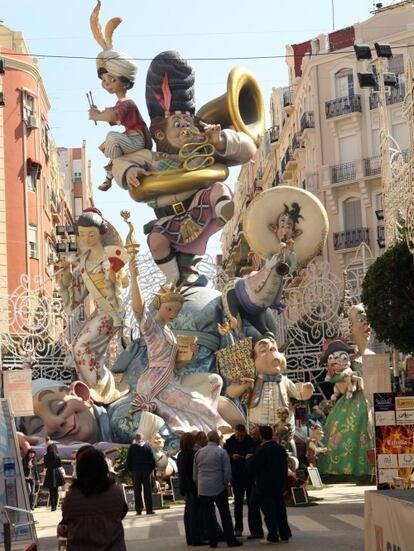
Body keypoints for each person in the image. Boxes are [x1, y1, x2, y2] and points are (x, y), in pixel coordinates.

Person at [112, 51, 257, 284]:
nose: (186, 129)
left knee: (218, 188)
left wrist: (219, 141)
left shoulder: (202, 148)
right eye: (177, 125)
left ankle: (223, 208)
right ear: (160, 133)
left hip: (204, 210)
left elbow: (248, 147)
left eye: (189, 123)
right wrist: (129, 172)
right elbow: (120, 163)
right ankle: (175, 280)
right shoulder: (152, 157)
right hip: (170, 220)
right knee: (157, 243)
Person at [128, 255, 229, 435]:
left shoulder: (170, 334)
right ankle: (217, 427)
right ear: (159, 305)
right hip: (155, 382)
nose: (173, 313)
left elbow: (176, 366)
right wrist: (134, 277)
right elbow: (139, 310)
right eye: (169, 308)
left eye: (176, 310)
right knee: (197, 403)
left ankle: (205, 431)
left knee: (213, 383)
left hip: (171, 378)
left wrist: (190, 357)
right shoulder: (152, 328)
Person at [57, 208, 130, 404]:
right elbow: (79, 296)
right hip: (99, 312)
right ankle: (102, 388)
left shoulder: (110, 257)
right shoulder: (83, 263)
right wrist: (65, 278)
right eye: (82, 234)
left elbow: (124, 285)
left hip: (112, 312)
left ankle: (101, 389)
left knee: (80, 347)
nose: (86, 239)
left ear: (101, 233)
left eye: (91, 234)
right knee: (85, 351)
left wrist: (114, 275)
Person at [89, 0, 151, 191]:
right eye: (105, 79)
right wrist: (99, 113)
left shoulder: (127, 102)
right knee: (105, 144)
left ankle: (111, 171)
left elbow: (114, 116)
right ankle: (112, 171)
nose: (107, 83)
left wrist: (97, 115)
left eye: (111, 79)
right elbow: (114, 117)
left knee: (112, 138)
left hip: (138, 139)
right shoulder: (121, 102)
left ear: (124, 82)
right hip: (131, 138)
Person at [317, 338, 373, 477]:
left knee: (360, 428)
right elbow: (340, 388)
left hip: (361, 399)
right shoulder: (339, 372)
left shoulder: (359, 362)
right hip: (348, 399)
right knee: (340, 428)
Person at [58, 447, 128, 550]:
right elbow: (121, 513)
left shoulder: (72, 497)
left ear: (80, 469)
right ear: (103, 467)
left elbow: (66, 521)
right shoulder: (116, 492)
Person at [193, 430, 242, 548]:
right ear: (217, 439)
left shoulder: (199, 453)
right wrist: (225, 483)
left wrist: (199, 485)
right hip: (218, 486)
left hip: (203, 488)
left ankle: (212, 541)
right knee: (225, 514)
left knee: (208, 516)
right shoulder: (221, 452)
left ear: (208, 439)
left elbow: (195, 474)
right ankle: (231, 540)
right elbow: (227, 471)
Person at [248, 426, 290, 543]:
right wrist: (284, 483)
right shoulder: (280, 448)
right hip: (278, 484)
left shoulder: (261, 450)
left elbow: (252, 466)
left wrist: (248, 459)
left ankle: (273, 535)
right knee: (280, 510)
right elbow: (285, 467)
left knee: (269, 512)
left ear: (261, 436)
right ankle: (284, 533)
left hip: (265, 486)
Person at [223, 425, 254, 537]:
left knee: (252, 504)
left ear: (245, 433)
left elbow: (256, 454)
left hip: (249, 476)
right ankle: (238, 528)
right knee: (238, 504)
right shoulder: (229, 442)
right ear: (235, 433)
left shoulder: (250, 441)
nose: (240, 437)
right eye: (238, 435)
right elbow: (224, 457)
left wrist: (251, 456)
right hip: (237, 476)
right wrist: (231, 457)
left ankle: (254, 529)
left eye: (242, 435)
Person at [177, 432, 205, 546]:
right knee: (195, 513)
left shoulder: (180, 455)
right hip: (193, 486)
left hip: (185, 486)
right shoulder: (193, 454)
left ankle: (190, 538)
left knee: (188, 513)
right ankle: (196, 538)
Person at [126, 431, 156, 515]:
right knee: (147, 490)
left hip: (136, 471)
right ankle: (149, 510)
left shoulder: (132, 447)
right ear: (142, 438)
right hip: (146, 471)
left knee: (137, 490)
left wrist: (131, 470)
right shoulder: (147, 447)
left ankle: (138, 510)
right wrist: (150, 469)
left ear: (135, 438)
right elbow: (152, 460)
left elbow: (128, 460)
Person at [43, 443, 65, 511]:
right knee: (56, 490)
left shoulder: (46, 456)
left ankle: (52, 506)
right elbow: (60, 465)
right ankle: (55, 505)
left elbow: (45, 466)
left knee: (51, 490)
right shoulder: (57, 455)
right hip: (56, 473)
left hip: (49, 473)